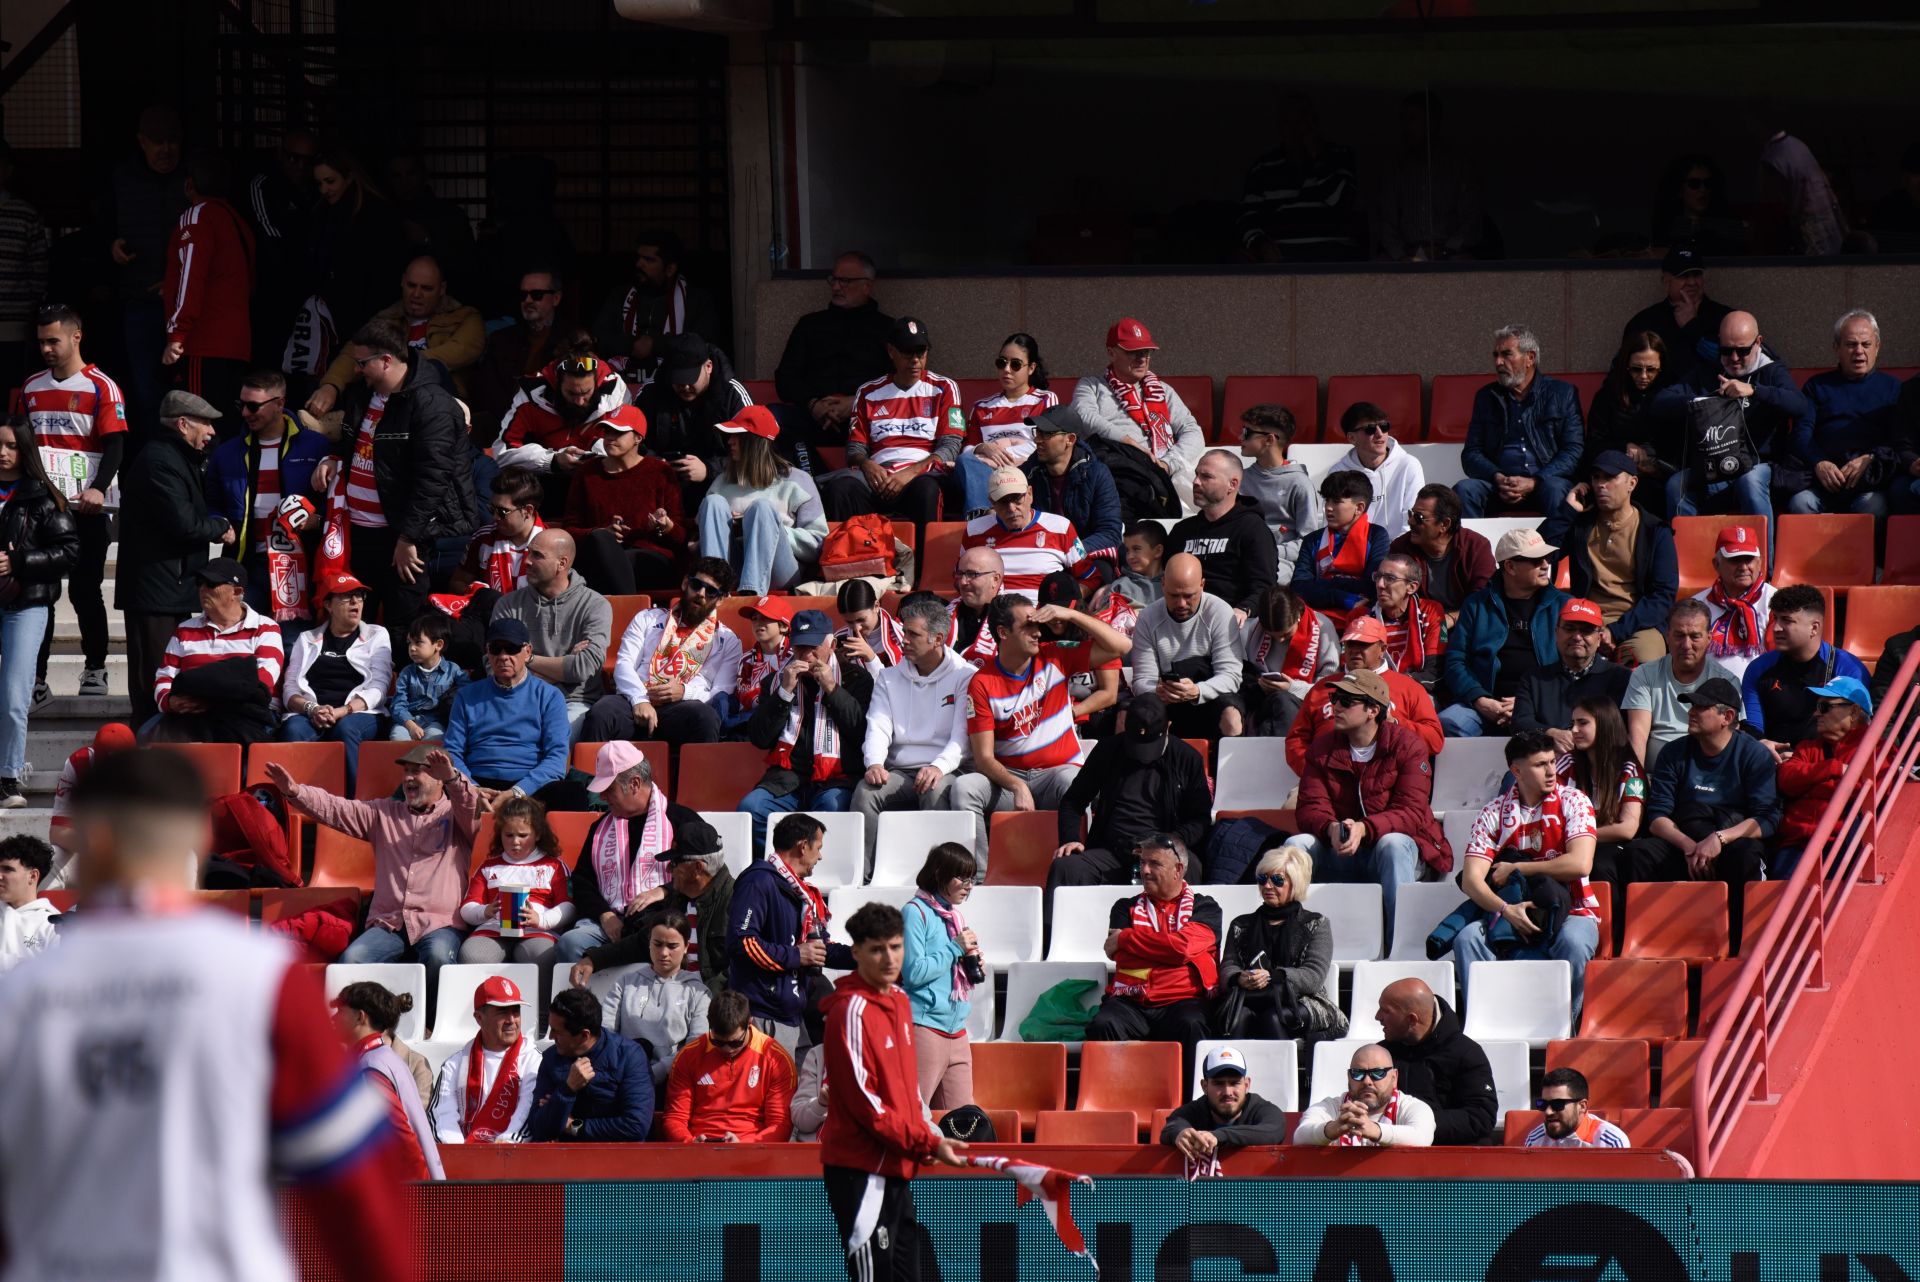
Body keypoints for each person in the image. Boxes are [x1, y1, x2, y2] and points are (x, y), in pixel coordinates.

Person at [0, 747, 413, 1280]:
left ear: (90, 842)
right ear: (198, 840)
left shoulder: (19, 998)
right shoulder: (262, 977)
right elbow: (359, 1191)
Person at [821, 903, 970, 1280]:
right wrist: (927, 1142)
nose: (889, 958)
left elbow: (905, 1095)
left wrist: (922, 1141)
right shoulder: (849, 1012)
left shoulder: (901, 1001)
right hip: (862, 1171)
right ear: (856, 953)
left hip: (897, 1165)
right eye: (877, 949)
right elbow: (867, 1105)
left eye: (896, 946)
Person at [312, 318, 477, 650]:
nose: (357, 371)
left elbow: (433, 478)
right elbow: (354, 441)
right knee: (355, 625)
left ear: (386, 360)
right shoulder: (362, 394)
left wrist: (408, 537)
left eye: (362, 363)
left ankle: (399, 696)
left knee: (403, 628)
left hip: (400, 537)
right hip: (356, 533)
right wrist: (333, 458)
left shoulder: (431, 404)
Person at [271, 743, 477, 998]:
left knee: (438, 958)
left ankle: (433, 1030)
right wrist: (296, 792)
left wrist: (454, 779)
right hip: (389, 922)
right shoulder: (384, 813)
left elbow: (471, 805)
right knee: (352, 961)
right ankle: (363, 1031)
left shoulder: (457, 816)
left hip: (440, 923)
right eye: (406, 772)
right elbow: (337, 809)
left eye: (418, 771)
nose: (409, 778)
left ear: (439, 780)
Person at [1451, 730, 1603, 1018]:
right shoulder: (1493, 812)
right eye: (1540, 765)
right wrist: (1506, 910)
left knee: (1574, 941)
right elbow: (1472, 880)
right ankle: (1485, 1025)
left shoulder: (1574, 800)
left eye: (1552, 762)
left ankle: (1562, 1028)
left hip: (1574, 910)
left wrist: (1517, 868)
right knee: (1467, 938)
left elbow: (1580, 864)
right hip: (1507, 911)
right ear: (1516, 771)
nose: (1550, 771)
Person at [1617, 676, 1778, 945]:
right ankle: (1647, 942)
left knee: (1747, 856)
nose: (1691, 712)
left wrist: (1719, 839)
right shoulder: (1673, 752)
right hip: (1686, 840)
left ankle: (1742, 946)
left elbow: (1767, 819)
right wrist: (1690, 846)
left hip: (1731, 841)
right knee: (1638, 854)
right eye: (1692, 706)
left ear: (1727, 716)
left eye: (1701, 707)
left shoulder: (1753, 754)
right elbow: (1657, 816)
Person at [1288, 669, 1449, 930]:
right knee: (1296, 844)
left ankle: (1398, 940)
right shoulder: (1322, 747)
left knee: (1393, 845)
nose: (1335, 707)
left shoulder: (1408, 745)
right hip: (1341, 848)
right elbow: (1309, 807)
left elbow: (1411, 813)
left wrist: (1364, 829)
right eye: (1335, 698)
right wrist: (1330, 828)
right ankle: (1291, 938)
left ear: (1373, 710)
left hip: (1394, 851)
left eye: (1347, 701)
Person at [17, 306, 122, 701]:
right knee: (39, 592)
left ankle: (95, 670)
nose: (45, 348)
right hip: (42, 508)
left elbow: (115, 445)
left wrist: (98, 488)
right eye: (41, 341)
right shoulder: (30, 387)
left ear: (76, 337)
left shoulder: (101, 386)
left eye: (53, 341)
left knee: (84, 590)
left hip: (86, 509)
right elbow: (20, 443)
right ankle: (36, 679)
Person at [116, 389, 234, 726]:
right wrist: (220, 527)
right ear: (183, 424)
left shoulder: (177, 457)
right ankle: (148, 749)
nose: (211, 432)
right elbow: (183, 524)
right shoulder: (159, 461)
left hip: (171, 586)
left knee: (167, 674)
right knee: (155, 679)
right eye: (206, 424)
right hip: (155, 591)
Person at [950, 597, 1086, 858]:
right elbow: (983, 758)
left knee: (1074, 781)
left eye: (1038, 625)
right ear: (1003, 632)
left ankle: (1076, 867)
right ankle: (978, 877)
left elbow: (1121, 645)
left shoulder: (1056, 656)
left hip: (1054, 776)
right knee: (964, 787)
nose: (1038, 632)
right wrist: (1016, 786)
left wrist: (1070, 615)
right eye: (1028, 626)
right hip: (1008, 781)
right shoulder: (982, 682)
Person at [555, 742, 709, 964]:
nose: (603, 798)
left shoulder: (682, 820)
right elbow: (582, 881)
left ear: (635, 783)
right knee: (570, 943)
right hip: (603, 924)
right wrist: (605, 915)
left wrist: (664, 891)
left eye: (609, 790)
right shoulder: (600, 828)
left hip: (659, 922)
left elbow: (705, 874)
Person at [1651, 309, 1809, 524]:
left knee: (1750, 481)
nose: (1734, 358)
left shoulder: (1771, 370)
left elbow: (1799, 405)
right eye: (1726, 350)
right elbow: (1660, 403)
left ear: (1758, 342)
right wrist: (1704, 400)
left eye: (1742, 351)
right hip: (1715, 468)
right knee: (1676, 485)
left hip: (1761, 466)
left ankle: (1762, 558)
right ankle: (1688, 555)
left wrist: (1754, 390)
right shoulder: (1708, 371)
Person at [853, 595, 974, 872]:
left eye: (913, 634)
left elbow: (962, 738)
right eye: (904, 631)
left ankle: (937, 876)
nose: (903, 639)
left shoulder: (965, 675)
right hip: (900, 772)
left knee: (935, 790)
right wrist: (874, 763)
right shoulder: (889, 677)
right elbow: (878, 725)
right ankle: (863, 875)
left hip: (946, 769)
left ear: (938, 639)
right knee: (865, 791)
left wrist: (938, 767)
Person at [1087, 836, 1221, 1086]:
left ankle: (1188, 1104)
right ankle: (1115, 1100)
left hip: (1183, 1001)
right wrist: (1168, 949)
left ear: (1178, 869)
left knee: (1194, 1024)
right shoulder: (1124, 907)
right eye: (1142, 862)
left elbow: (1183, 948)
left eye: (1155, 863)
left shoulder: (1206, 907)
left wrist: (1127, 937)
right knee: (1103, 1023)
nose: (1144, 870)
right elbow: (1117, 953)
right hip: (1133, 1001)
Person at [739, 609, 872, 851]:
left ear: (831, 644)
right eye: (800, 648)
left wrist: (833, 690)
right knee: (752, 808)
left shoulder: (856, 678)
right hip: (787, 781)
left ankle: (817, 877)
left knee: (831, 809)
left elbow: (861, 733)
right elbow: (759, 737)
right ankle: (777, 871)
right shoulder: (777, 680)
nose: (807, 655)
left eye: (814, 647)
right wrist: (783, 693)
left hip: (836, 779)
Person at [205, 370, 330, 621]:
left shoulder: (317, 446)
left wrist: (319, 520)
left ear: (279, 404)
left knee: (292, 644)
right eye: (242, 405)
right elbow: (211, 502)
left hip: (297, 566)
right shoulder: (226, 453)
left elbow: (337, 504)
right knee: (240, 640)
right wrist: (220, 523)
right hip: (246, 563)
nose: (245, 413)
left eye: (253, 406)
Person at [1050, 694, 1210, 891]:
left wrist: (1168, 843)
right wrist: (1070, 839)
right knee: (1066, 868)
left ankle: (1187, 922)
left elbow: (1199, 819)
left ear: (1168, 727)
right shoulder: (1107, 750)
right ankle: (1055, 923)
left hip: (1164, 848)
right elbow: (1073, 801)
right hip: (1112, 849)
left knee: (1189, 867)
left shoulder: (1187, 758)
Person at [581, 556, 743, 748]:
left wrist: (684, 692)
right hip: (636, 698)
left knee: (706, 718)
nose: (701, 593)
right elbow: (624, 664)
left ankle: (698, 779)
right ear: (685, 583)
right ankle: (586, 778)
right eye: (696, 584)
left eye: (711, 591)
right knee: (601, 712)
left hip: (683, 708)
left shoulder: (728, 640)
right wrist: (639, 700)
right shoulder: (647, 618)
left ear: (721, 600)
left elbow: (721, 693)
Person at [730, 813, 856, 1054]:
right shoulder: (758, 882)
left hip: (793, 1018)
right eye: (818, 848)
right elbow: (742, 942)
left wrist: (862, 956)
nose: (820, 856)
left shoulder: (803, 895)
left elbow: (819, 951)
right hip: (763, 1018)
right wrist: (796, 956)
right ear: (802, 846)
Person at [822, 316, 963, 533]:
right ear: (891, 351)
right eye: (908, 352)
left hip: (922, 477)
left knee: (927, 489)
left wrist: (911, 472)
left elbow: (951, 447)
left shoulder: (944, 388)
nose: (915, 359)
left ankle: (924, 566)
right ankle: (847, 562)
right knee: (841, 488)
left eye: (921, 352)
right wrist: (868, 466)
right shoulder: (868, 391)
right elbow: (855, 449)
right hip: (877, 478)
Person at [1541, 450, 1678, 664]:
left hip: (1637, 623)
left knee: (1644, 662)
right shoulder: (1581, 525)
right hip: (1583, 618)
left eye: (1610, 477)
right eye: (1596, 477)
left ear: (1632, 483)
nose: (1600, 485)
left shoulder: (1655, 531)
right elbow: (1538, 553)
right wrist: (1568, 511)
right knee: (1546, 653)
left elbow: (1662, 596)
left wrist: (1615, 631)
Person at [0, 417, 75, 802]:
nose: (3, 452)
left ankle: (8, 774)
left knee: (14, 693)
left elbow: (69, 552)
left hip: (25, 604)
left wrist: (20, 562)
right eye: (0, 444)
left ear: (25, 450)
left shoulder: (44, 496)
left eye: (12, 445)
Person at [308, 251, 486, 410]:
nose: (416, 294)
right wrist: (331, 386)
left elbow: (461, 350)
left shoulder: (464, 317)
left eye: (426, 288)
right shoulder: (387, 317)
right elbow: (353, 352)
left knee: (433, 369)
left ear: (442, 289)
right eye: (411, 285)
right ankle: (342, 424)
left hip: (439, 403)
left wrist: (399, 364)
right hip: (381, 401)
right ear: (402, 282)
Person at [1439, 529, 1571, 738]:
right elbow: (1456, 661)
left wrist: (1530, 701)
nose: (1546, 564)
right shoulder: (1476, 605)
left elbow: (1574, 666)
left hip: (1544, 705)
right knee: (1449, 723)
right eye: (1536, 560)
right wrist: (1480, 699)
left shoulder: (1563, 606)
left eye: (1547, 558)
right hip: (1488, 704)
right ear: (1509, 566)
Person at [107, 106, 189, 442]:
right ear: (142, 142)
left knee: (186, 390)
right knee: (144, 391)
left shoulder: (191, 178)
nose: (165, 149)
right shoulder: (122, 178)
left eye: (172, 141)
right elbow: (102, 226)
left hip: (186, 307)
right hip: (139, 299)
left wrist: (174, 283)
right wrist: (111, 245)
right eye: (158, 141)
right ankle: (153, 460)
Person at [1065, 317, 1205, 506]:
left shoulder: (1162, 390)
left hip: (1165, 470)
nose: (1142, 358)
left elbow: (1193, 430)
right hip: (1120, 471)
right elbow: (1084, 417)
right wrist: (1129, 443)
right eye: (1133, 352)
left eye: (1146, 352)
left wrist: (1168, 464)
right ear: (1111, 353)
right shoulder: (1091, 385)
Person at [145, 557, 284, 745]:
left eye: (211, 584)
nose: (203, 589)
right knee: (146, 734)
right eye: (200, 583)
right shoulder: (185, 630)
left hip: (245, 716)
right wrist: (171, 702)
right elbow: (164, 678)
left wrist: (211, 699)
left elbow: (262, 681)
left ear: (237, 591)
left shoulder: (265, 628)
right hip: (191, 715)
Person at [770, 250, 893, 462]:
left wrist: (856, 402)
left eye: (845, 281)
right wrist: (813, 404)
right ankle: (814, 478)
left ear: (867, 285)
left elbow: (901, 382)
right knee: (769, 418)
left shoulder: (888, 329)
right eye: (834, 280)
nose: (836, 287)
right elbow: (785, 378)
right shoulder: (810, 325)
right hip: (813, 417)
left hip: (867, 418)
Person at [1283, 616, 1443, 777]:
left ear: (1382, 649)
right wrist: (1313, 772)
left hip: (1386, 782)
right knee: (1293, 803)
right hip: (1324, 780)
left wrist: (1395, 723)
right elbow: (1296, 739)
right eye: (1350, 644)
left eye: (1364, 644)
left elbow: (1434, 741)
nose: (1355, 650)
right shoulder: (1322, 687)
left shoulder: (1409, 688)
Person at [159, 153, 255, 417]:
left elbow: (192, 274)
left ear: (189, 184)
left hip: (204, 341)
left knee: (198, 424)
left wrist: (177, 333)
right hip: (237, 345)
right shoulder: (238, 222)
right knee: (226, 424)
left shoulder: (197, 217)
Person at [490, 527, 612, 734]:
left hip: (572, 702)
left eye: (537, 555)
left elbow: (583, 667)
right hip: (517, 699)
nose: (527, 561)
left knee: (554, 741)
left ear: (561, 563)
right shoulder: (508, 604)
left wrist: (525, 660)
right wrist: (561, 669)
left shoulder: (594, 604)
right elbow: (493, 664)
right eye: (528, 553)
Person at [1456, 325, 1585, 518]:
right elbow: (1471, 453)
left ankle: (1558, 549)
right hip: (1500, 485)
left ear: (1530, 358)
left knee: (1557, 490)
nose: (1499, 362)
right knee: (1465, 490)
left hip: (1545, 482)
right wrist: (1497, 477)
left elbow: (1573, 450)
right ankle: (1474, 549)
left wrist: (1535, 481)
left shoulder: (1562, 393)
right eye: (1496, 355)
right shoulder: (1486, 397)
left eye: (1507, 354)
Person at [1783, 310, 1902, 518]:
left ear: (1877, 347)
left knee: (1875, 506)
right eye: (1850, 344)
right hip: (1821, 482)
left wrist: (1870, 458)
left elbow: (1899, 439)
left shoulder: (1894, 389)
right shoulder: (1816, 386)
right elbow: (1801, 434)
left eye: (1866, 344)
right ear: (1836, 348)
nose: (1858, 351)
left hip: (1868, 484)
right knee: (1800, 504)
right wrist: (1819, 462)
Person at [277, 572, 392, 787]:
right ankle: (297, 804)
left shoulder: (377, 634)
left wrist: (343, 711)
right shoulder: (306, 639)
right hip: (313, 711)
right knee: (294, 729)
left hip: (359, 712)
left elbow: (379, 687)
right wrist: (313, 709)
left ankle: (354, 807)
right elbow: (290, 688)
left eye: (359, 595)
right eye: (346, 596)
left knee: (346, 728)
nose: (355, 601)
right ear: (328, 605)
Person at [559, 403, 686, 596]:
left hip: (651, 559)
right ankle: (627, 611)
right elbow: (569, 529)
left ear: (638, 438)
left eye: (618, 432)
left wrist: (665, 526)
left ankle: (624, 610)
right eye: (607, 431)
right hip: (598, 558)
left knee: (624, 560)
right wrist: (601, 534)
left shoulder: (660, 472)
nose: (609, 438)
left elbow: (681, 536)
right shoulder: (587, 473)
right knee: (601, 544)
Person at [698, 405, 826, 595]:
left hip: (780, 571)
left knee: (761, 509)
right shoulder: (721, 482)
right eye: (729, 436)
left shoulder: (798, 480)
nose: (730, 442)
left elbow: (817, 543)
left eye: (737, 436)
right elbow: (702, 540)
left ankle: (751, 594)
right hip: (732, 568)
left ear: (756, 442)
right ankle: (711, 590)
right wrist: (732, 529)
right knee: (713, 502)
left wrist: (770, 528)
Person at [445, 616, 570, 809]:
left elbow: (556, 757)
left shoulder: (550, 696)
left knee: (571, 793)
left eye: (511, 649)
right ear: (487, 652)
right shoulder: (466, 696)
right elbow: (453, 751)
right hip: (477, 782)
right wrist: (472, 789)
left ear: (527, 651)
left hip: (529, 784)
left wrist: (518, 792)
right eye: (496, 649)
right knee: (428, 784)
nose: (503, 656)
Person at [1216, 845, 1337, 1040]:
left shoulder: (1316, 924)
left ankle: (1283, 1071)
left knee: (1274, 1017)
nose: (1267, 886)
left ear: (1296, 883)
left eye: (1277, 880)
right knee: (1237, 1017)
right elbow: (1228, 966)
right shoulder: (1241, 924)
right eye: (1263, 879)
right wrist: (1239, 978)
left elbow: (1314, 976)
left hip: (1303, 1001)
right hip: (1250, 999)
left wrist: (1274, 976)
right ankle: (1233, 1071)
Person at [330, 981, 444, 1180]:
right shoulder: (383, 1057)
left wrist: (416, 1195)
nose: (334, 1017)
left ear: (360, 1016)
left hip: (407, 1192)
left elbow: (402, 1140)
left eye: (340, 1010)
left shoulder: (371, 1065)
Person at [304, 141, 408, 348]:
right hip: (330, 318)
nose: (324, 189)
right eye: (319, 183)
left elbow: (385, 273)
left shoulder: (375, 215)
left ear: (349, 177)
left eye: (330, 181)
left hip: (366, 316)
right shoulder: (322, 213)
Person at [902, 842, 983, 1111]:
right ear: (939, 874)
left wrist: (970, 960)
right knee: (913, 1116)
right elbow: (913, 973)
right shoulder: (914, 912)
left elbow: (949, 966)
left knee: (964, 1126)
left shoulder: (955, 916)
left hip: (957, 1032)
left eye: (972, 879)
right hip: (925, 1030)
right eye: (961, 877)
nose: (968, 886)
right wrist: (955, 949)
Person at [1131, 553, 1246, 740]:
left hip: (1210, 693)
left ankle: (1229, 769)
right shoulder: (1147, 617)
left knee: (1232, 717)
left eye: (1189, 596)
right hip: (1166, 698)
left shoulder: (1220, 612)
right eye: (1173, 595)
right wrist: (1157, 690)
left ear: (1202, 585)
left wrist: (1197, 691)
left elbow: (1231, 676)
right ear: (1162, 585)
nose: (1181, 603)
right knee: (1127, 715)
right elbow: (1142, 679)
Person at [1236, 93, 1362, 262]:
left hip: (1334, 264)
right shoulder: (1263, 168)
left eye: (1301, 121)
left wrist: (1317, 155)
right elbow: (1247, 219)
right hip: (1282, 265)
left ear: (1314, 124)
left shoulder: (1340, 156)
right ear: (1280, 127)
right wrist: (1262, 245)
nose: (1296, 130)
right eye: (1288, 122)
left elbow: (1343, 203)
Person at [1741, 584, 1868, 752]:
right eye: (1776, 619)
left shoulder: (1848, 669)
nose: (1776, 628)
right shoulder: (1758, 669)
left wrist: (1804, 762)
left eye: (1787, 620)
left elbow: (1855, 736)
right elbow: (1753, 730)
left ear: (1814, 628)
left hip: (1828, 768)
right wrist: (1763, 746)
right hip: (1773, 764)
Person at [660, 989, 796, 1143]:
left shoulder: (776, 1059)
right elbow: (675, 1117)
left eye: (735, 1042)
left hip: (754, 1153)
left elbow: (780, 1125)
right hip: (698, 1150)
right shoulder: (688, 1056)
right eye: (718, 1042)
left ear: (749, 1023)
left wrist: (745, 1146)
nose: (727, 1049)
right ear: (708, 1024)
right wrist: (689, 1143)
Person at [1374, 976, 1497, 1145]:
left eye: (1385, 1011)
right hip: (1389, 1154)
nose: (1377, 1016)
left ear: (1412, 1020)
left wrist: (1418, 1125)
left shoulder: (1467, 1053)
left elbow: (1481, 1117)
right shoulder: (1380, 1054)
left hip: (1451, 1158)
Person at [490, 351, 629, 499]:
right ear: (557, 384)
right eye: (572, 394)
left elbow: (630, 448)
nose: (580, 401)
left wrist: (597, 453)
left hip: (603, 482)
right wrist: (552, 461)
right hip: (545, 485)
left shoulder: (616, 392)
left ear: (596, 383)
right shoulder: (530, 395)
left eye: (587, 392)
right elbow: (501, 453)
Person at [456, 795, 575, 967]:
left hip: (538, 932)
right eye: (509, 835)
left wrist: (541, 920)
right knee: (471, 957)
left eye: (523, 835)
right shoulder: (489, 866)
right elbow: (467, 908)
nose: (515, 842)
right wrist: (485, 911)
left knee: (542, 957)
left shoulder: (554, 865)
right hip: (493, 930)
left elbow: (568, 907)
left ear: (538, 834)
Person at [524, 987, 654, 1143]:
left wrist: (572, 1126)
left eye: (557, 1032)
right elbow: (538, 1128)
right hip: (565, 1160)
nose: (551, 1037)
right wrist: (567, 1090)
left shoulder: (629, 1056)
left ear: (584, 1035)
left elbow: (635, 1126)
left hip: (620, 1160)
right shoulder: (552, 1058)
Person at [1774, 678, 1873, 879]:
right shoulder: (1808, 747)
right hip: (1796, 846)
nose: (1816, 713)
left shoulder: (1878, 750)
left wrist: (1809, 782)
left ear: (1854, 712)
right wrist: (1834, 769)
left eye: (1825, 706)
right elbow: (1786, 780)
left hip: (1842, 848)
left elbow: (1867, 792)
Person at [601, 911, 713, 1089]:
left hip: (674, 1080)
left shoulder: (698, 992)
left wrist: (657, 1072)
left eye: (672, 946)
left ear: (686, 946)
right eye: (658, 944)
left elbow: (695, 1046)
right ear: (649, 943)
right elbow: (606, 1033)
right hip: (622, 1076)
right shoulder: (625, 983)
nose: (664, 953)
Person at [955, 332, 1059, 519]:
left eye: (1015, 364)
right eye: (1002, 363)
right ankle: (983, 518)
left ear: (1031, 368)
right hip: (986, 473)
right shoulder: (981, 406)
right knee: (965, 462)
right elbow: (967, 450)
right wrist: (985, 448)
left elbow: (1048, 444)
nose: (1007, 369)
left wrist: (1002, 458)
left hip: (1026, 468)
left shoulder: (1045, 400)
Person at [431, 975, 543, 1144]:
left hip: (514, 1159)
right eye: (503, 1012)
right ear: (479, 1018)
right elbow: (442, 1117)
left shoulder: (534, 1059)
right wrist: (462, 1156)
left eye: (516, 1011)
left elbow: (527, 1110)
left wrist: (504, 1147)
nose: (512, 1020)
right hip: (463, 1161)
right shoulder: (454, 1065)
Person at [1623, 601, 1735, 770]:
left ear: (1709, 639)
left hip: (1707, 777)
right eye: (1679, 635)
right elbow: (1638, 737)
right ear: (1667, 637)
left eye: (1695, 636)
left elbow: (1731, 741)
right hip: (1655, 775)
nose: (1686, 645)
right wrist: (1636, 787)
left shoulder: (1727, 681)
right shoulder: (1644, 675)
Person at [1171, 449, 1278, 620]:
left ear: (1233, 484)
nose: (1196, 482)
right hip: (1182, 619)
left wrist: (1244, 609)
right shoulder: (1181, 531)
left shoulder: (1253, 529)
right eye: (1197, 474)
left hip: (1232, 622)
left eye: (1206, 477)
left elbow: (1264, 587)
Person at [1513, 599, 1634, 751]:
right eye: (1569, 629)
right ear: (1556, 633)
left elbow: (1625, 729)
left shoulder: (1620, 678)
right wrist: (1550, 733)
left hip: (1600, 762)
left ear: (1599, 638)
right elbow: (1520, 722)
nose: (1577, 637)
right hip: (1546, 761)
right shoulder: (1533, 678)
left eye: (1586, 630)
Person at [632, 331, 752, 479]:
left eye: (691, 379)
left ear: (708, 367)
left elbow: (752, 452)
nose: (685, 387)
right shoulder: (652, 391)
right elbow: (632, 441)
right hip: (661, 479)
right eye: (678, 380)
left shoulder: (732, 393)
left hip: (719, 483)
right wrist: (654, 462)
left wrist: (708, 470)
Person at [1565, 696, 1648, 904]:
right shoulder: (1566, 764)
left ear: (1605, 724)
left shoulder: (1629, 770)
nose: (1574, 730)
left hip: (1609, 847)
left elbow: (1627, 829)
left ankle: (1612, 931)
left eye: (1582, 723)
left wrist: (1580, 838)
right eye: (1572, 724)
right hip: (1568, 846)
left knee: (1599, 864)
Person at [469, 268, 566, 440]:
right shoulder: (501, 339)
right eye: (523, 295)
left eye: (536, 294)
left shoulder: (571, 341)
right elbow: (486, 389)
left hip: (552, 429)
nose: (528, 300)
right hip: (503, 425)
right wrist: (515, 417)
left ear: (556, 298)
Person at [1021, 407, 1123, 569]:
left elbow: (1109, 532)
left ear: (1070, 439)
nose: (1037, 440)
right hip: (1039, 555)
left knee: (1101, 569)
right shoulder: (1027, 474)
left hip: (1085, 555)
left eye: (1046, 434)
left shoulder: (1097, 474)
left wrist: (1071, 550)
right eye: (1037, 432)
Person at [964, 465, 1086, 601]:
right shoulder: (974, 530)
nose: (1011, 508)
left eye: (1017, 498)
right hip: (992, 615)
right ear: (992, 502)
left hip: (1045, 616)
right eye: (1003, 501)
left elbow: (1089, 577)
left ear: (1029, 493)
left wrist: (1064, 605)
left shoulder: (1060, 527)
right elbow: (963, 579)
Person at [1161, 1045, 1291, 1165]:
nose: (1228, 1092)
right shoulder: (1195, 1109)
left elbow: (1272, 1131)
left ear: (1247, 1085)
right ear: (1204, 1086)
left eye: (1234, 1083)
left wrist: (1217, 1136)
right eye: (1219, 1083)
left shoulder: (1263, 1109)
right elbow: (1172, 1125)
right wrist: (1180, 1133)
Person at [1240, 584, 1339, 737]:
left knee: (1280, 704)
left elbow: (1329, 686)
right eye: (1272, 635)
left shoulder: (1322, 628)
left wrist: (1292, 688)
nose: (1279, 640)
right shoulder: (1255, 629)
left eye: (1286, 634)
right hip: (1263, 702)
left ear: (1297, 616)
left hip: (1306, 703)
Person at [1389, 483, 1493, 627]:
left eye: (1419, 517)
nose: (1410, 521)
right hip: (1419, 624)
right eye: (1411, 514)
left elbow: (1484, 600)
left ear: (1444, 524)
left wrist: (1450, 619)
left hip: (1467, 625)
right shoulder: (1401, 547)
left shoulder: (1476, 547)